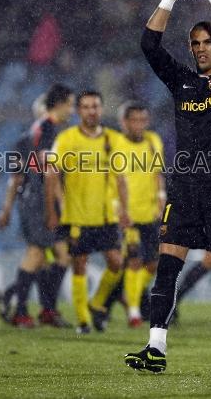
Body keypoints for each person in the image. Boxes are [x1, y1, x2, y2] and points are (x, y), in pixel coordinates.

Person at [125, 0, 211, 374]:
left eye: (206, 41)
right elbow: (148, 44)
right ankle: (156, 349)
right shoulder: (181, 82)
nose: (199, 48)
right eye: (194, 43)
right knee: (167, 267)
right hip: (186, 190)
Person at [45, 91, 130, 334]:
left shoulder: (113, 139)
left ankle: (97, 302)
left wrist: (124, 209)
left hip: (106, 215)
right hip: (77, 216)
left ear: (101, 110)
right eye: (85, 107)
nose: (91, 111)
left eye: (95, 106)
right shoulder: (67, 139)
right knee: (79, 265)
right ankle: (83, 320)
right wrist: (52, 210)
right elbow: (52, 174)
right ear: (79, 111)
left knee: (116, 263)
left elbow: (121, 177)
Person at [0, 84, 75, 328]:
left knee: (61, 255)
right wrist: (55, 208)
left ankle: (38, 306)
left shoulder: (35, 132)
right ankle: (21, 310)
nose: (72, 111)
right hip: (40, 200)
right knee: (37, 254)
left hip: (37, 199)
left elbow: (21, 176)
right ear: (59, 104)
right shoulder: (47, 130)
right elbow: (48, 172)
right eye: (70, 105)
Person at [117, 101, 166, 327]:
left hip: (149, 211)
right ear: (125, 122)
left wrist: (161, 198)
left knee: (152, 264)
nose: (139, 125)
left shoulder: (153, 141)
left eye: (142, 120)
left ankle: (130, 295)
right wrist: (119, 209)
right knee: (134, 260)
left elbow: (158, 174)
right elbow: (115, 180)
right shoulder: (117, 144)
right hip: (129, 214)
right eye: (134, 120)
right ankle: (134, 311)